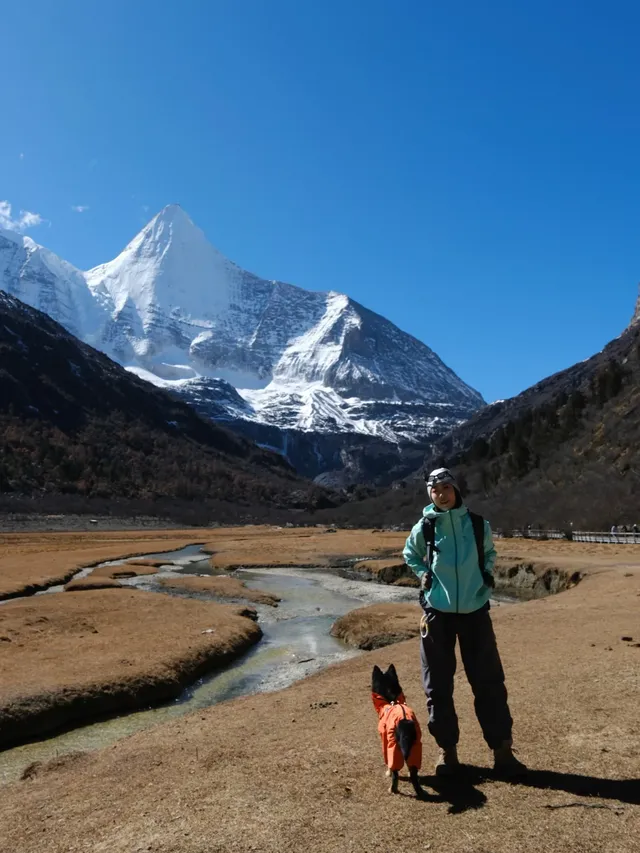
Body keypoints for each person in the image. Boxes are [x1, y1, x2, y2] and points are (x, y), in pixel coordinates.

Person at [403, 467, 527, 778]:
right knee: (438, 686)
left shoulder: (477, 524)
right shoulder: (425, 526)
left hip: (475, 610)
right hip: (437, 612)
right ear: (430, 495)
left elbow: (489, 552)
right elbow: (410, 554)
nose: (441, 494)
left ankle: (502, 752)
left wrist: (486, 574)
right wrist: (423, 574)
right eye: (435, 490)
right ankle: (448, 753)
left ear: (456, 490)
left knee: (489, 682)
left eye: (446, 488)